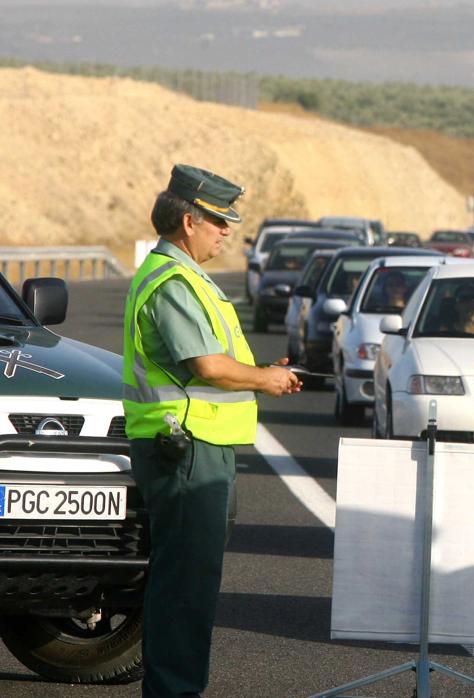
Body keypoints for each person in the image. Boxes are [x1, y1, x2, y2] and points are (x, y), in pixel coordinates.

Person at [122, 164, 302, 697]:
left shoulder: (187, 277)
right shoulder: (174, 281)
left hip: (200, 446)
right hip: (185, 449)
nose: (227, 231)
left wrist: (262, 371)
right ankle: (174, 691)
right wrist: (264, 378)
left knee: (189, 583)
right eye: (217, 221)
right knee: (185, 587)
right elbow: (207, 366)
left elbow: (212, 362)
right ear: (186, 221)